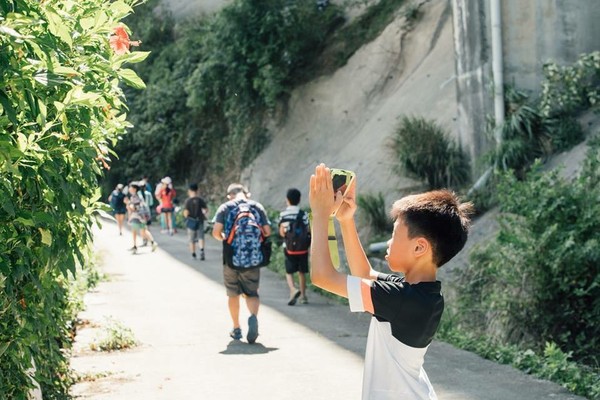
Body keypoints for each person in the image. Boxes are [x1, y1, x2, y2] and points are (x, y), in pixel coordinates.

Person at [308, 164, 473, 400]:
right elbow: (365, 275)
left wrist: (321, 214)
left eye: (394, 234)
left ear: (419, 247)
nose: (388, 242)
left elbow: (322, 276)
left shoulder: (402, 300)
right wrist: (346, 220)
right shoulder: (421, 294)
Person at [212, 183, 271, 343]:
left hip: (231, 259)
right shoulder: (256, 207)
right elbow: (267, 231)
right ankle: (253, 317)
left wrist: (228, 239)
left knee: (233, 293)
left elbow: (216, 232)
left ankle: (236, 328)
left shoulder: (225, 207)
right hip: (253, 258)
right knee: (252, 292)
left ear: (230, 195)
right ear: (246, 194)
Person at [278, 188, 311, 305]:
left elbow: (282, 232)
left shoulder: (283, 214)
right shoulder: (304, 214)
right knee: (302, 272)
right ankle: (303, 296)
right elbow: (308, 230)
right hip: (302, 248)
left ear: (287, 200)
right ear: (299, 199)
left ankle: (292, 289)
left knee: (289, 271)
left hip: (289, 248)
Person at [126, 182, 158, 254]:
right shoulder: (139, 195)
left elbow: (134, 208)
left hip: (137, 217)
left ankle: (135, 246)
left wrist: (128, 204)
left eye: (130, 187)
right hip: (142, 217)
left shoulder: (135, 197)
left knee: (134, 231)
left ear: (134, 189)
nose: (129, 189)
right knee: (144, 231)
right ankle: (153, 243)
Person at [183, 183, 209, 260]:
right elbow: (206, 209)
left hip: (191, 221)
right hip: (200, 220)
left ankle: (193, 254)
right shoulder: (200, 200)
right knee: (201, 236)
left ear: (189, 191)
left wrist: (186, 216)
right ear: (197, 190)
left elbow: (186, 213)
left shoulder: (187, 201)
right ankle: (201, 251)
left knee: (191, 239)